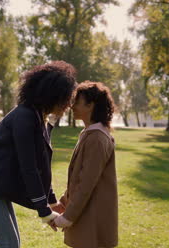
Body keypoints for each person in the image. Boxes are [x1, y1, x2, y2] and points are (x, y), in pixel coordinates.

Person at [0, 61, 76, 248]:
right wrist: (44, 211)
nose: (68, 104)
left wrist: (52, 202)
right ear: (53, 95)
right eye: (66, 98)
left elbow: (41, 165)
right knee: (9, 243)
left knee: (12, 243)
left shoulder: (38, 117)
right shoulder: (25, 117)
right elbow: (29, 168)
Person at [53, 81, 118, 248]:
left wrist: (67, 218)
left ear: (91, 105)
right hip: (86, 213)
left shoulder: (97, 138)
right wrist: (64, 202)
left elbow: (86, 184)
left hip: (93, 217)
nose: (72, 106)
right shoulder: (90, 134)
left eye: (77, 101)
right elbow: (79, 177)